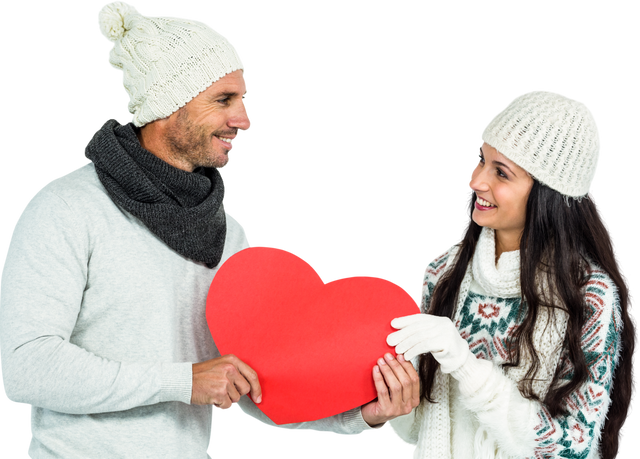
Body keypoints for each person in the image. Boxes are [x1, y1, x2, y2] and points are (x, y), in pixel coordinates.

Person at [0, 1, 419, 457]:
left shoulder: (228, 233)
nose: (245, 120)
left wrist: (363, 416)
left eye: (244, 100)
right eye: (224, 100)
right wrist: (183, 380)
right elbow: (27, 369)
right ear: (168, 103)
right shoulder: (67, 207)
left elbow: (251, 387)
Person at [384, 88, 639, 458]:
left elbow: (572, 446)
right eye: (480, 159)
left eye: (501, 172)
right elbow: (417, 428)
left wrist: (466, 366)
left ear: (548, 195)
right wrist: (394, 403)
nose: (475, 181)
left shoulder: (590, 296)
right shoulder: (442, 273)